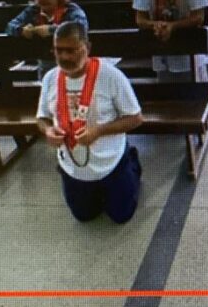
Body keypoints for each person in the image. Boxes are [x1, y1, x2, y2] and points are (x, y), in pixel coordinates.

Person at [37, 21, 144, 224]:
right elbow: (42, 117)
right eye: (58, 50)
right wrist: (48, 130)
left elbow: (136, 118)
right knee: (84, 216)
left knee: (122, 216)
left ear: (87, 47)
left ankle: (131, 162)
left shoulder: (111, 76)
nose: (64, 57)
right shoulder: (51, 77)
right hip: (72, 164)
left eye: (71, 50)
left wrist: (98, 131)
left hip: (110, 161)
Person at [6, 0, 89, 78]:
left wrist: (51, 30)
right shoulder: (33, 10)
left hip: (72, 62)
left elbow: (80, 27)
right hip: (45, 64)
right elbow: (10, 26)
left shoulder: (71, 9)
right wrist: (21, 30)